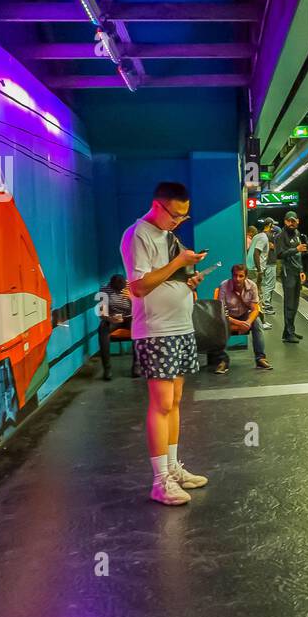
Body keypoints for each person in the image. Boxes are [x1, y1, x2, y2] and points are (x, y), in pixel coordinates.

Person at [120, 181, 210, 506]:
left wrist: (189, 281)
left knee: (175, 402)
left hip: (180, 328)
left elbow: (167, 281)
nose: (178, 221)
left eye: (184, 217)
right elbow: (140, 287)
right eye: (176, 215)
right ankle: (159, 482)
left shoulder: (167, 235)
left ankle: (173, 469)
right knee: (160, 404)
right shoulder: (137, 235)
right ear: (158, 205)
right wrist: (178, 264)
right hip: (157, 331)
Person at [207, 265, 272, 374]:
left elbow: (255, 309)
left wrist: (247, 322)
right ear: (232, 276)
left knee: (257, 324)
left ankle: (260, 358)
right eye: (235, 276)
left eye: (241, 276)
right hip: (228, 316)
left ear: (246, 277)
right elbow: (222, 311)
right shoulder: (224, 285)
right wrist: (238, 323)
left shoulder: (252, 286)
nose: (237, 279)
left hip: (244, 315)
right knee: (215, 326)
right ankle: (222, 360)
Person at [274, 210, 308, 343]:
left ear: (298, 221)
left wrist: (301, 270)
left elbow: (298, 256)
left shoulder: (297, 234)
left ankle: (289, 331)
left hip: (296, 272)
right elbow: (280, 254)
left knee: (295, 303)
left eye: (294, 221)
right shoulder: (280, 236)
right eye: (289, 221)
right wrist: (296, 249)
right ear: (285, 221)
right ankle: (288, 334)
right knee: (289, 303)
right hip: (288, 273)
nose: (291, 223)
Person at [97, 274, 133, 381]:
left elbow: (142, 307)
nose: (118, 293)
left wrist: (132, 298)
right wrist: (111, 319)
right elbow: (102, 313)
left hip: (130, 317)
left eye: (120, 290)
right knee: (103, 329)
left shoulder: (131, 287)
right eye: (115, 291)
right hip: (113, 319)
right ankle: (107, 369)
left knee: (138, 328)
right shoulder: (104, 289)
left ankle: (137, 366)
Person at [246, 218, 273, 330]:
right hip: (255, 269)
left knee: (254, 296)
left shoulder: (257, 236)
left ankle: (260, 321)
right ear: (270, 226)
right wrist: (260, 270)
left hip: (250, 268)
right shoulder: (263, 237)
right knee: (257, 296)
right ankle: (260, 322)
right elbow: (256, 252)